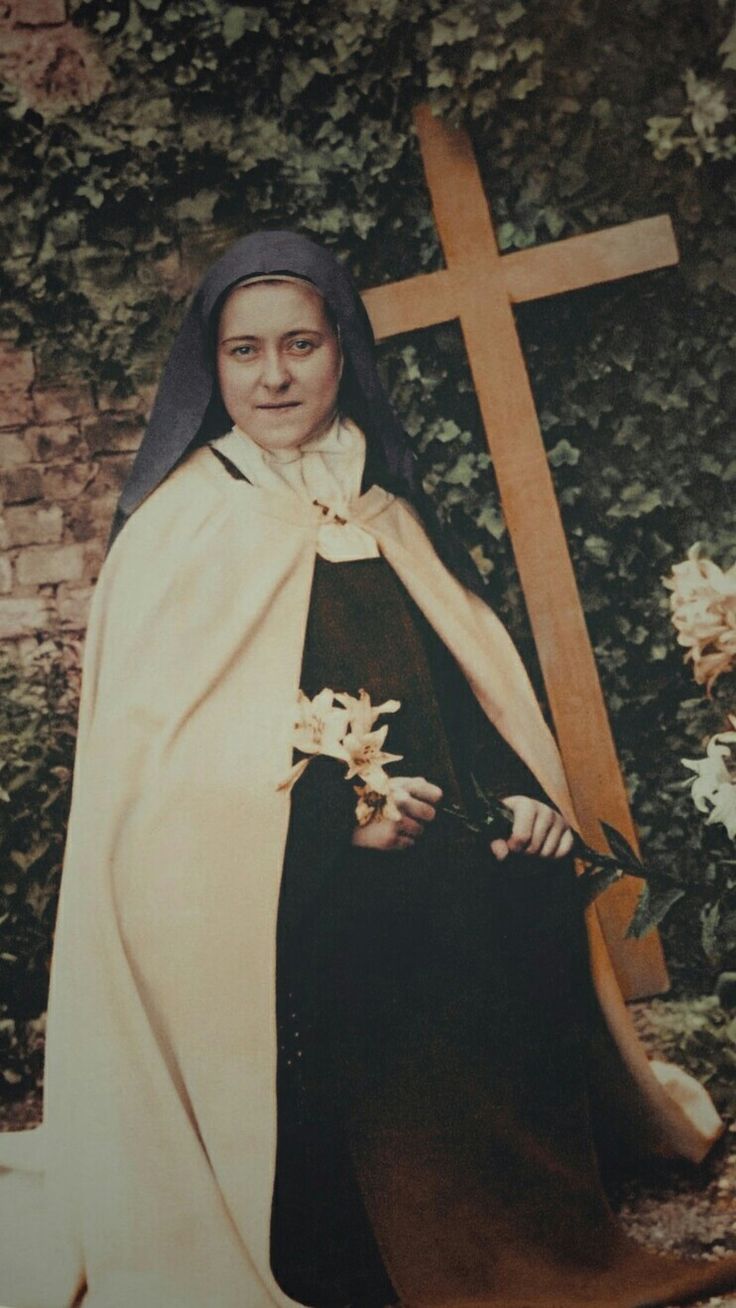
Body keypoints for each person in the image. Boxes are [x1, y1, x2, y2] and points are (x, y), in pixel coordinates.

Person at [1, 230, 736, 1308]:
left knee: (511, 891)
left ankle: (521, 1212)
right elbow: (153, 795)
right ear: (213, 368)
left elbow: (464, 697)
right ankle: (388, 1239)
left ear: (342, 349)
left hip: (443, 853)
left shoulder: (384, 504)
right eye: (245, 352)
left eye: (300, 343)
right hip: (280, 908)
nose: (275, 375)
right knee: (369, 958)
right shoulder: (178, 532)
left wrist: (520, 801)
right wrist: (325, 827)